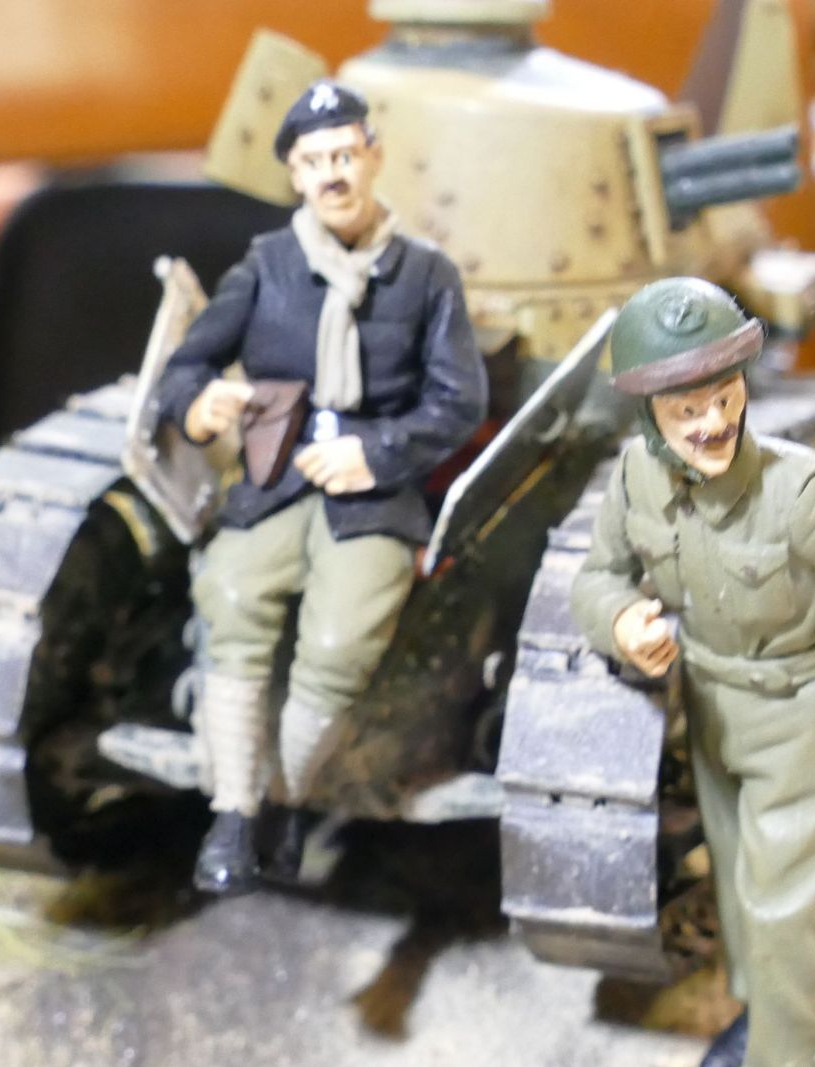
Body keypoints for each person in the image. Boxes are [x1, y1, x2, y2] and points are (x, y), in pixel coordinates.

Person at [570, 277, 815, 1067]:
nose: (713, 422)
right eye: (686, 410)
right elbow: (597, 577)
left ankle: (790, 1054)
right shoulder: (635, 478)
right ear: (651, 415)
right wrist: (621, 621)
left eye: (724, 397)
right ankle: (758, 1020)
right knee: (735, 883)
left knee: (783, 911)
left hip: (796, 714)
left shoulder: (800, 491)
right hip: (710, 707)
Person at [156, 79, 487, 895]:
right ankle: (233, 813)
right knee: (231, 596)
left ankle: (288, 798)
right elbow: (189, 363)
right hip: (276, 474)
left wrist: (376, 452)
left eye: (345, 153)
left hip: (373, 491)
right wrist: (200, 405)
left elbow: (459, 400)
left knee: (339, 644)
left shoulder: (424, 275)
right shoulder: (268, 266)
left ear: (373, 157)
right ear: (296, 175)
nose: (333, 173)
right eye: (314, 161)